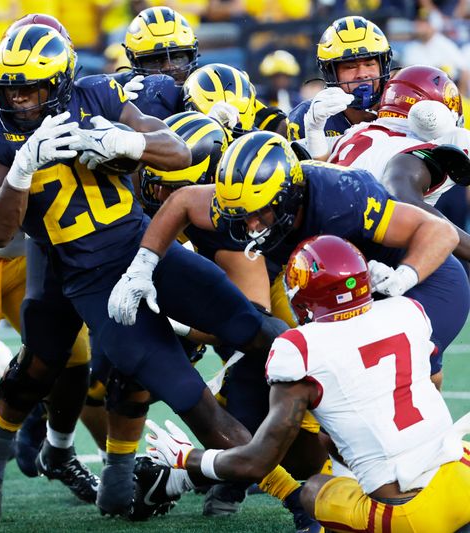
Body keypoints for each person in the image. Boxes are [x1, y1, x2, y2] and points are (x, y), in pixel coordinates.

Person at [0, 24, 314, 529]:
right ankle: (296, 501)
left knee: (259, 331)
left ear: (60, 83)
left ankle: (344, 416)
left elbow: (177, 150)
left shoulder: (96, 95)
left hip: (146, 248)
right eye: (10, 87)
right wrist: (22, 169)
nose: (19, 99)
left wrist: (122, 140)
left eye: (32, 88)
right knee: (192, 401)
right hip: (92, 283)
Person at [145, 235, 470, 533]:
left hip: (413, 514)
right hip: (462, 478)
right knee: (334, 438)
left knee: (315, 489)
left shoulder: (299, 347)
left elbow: (256, 461)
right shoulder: (407, 310)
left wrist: (189, 459)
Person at [114, 131, 468, 391]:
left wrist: (402, 278)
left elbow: (442, 234)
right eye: (242, 217)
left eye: (260, 214)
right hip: (353, 289)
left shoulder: (340, 198)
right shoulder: (248, 204)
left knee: (400, 374)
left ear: (289, 195)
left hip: (426, 279)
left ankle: (428, 459)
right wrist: (141, 269)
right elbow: (183, 202)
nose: (251, 226)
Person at [328, 65, 470, 262]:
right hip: (370, 253)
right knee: (449, 267)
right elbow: (403, 199)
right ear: (433, 115)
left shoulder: (353, 133)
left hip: (328, 243)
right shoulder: (408, 149)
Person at [287, 16, 393, 158]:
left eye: (369, 64)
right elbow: (308, 177)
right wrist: (314, 131)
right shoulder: (307, 116)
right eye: (350, 67)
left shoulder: (401, 105)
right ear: (330, 73)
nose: (362, 74)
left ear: (383, 66)